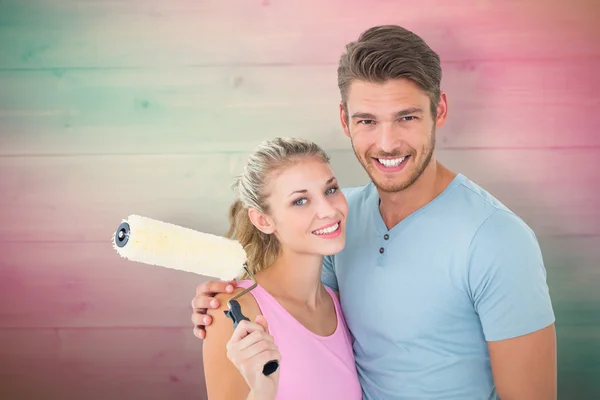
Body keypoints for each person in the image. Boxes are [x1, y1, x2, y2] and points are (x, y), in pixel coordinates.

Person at [193, 25, 557, 399]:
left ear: (440, 111)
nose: (387, 143)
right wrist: (227, 302)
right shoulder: (338, 218)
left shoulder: (497, 239)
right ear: (344, 120)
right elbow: (301, 310)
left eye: (407, 118)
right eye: (367, 120)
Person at [201, 137, 362, 400]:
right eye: (300, 201)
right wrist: (262, 392)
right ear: (263, 220)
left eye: (330, 190)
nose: (328, 210)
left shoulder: (338, 305)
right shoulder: (235, 312)